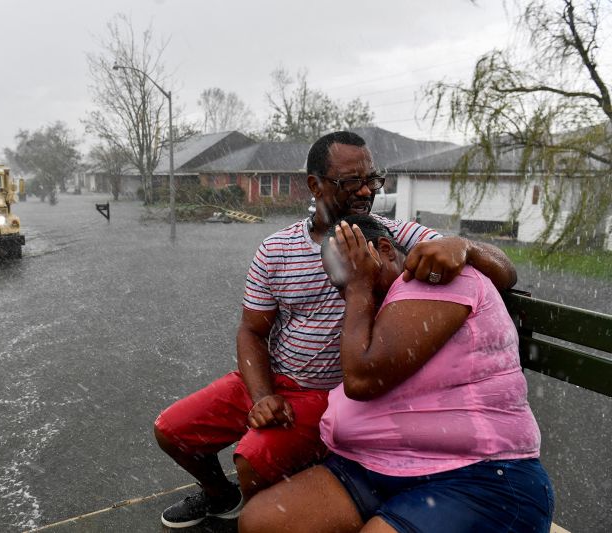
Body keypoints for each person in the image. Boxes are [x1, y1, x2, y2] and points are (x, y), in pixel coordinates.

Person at [153, 131, 518, 529]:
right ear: (315, 185)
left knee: (252, 458)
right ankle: (222, 498)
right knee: (173, 431)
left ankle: (261, 503)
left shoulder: (392, 235)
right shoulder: (276, 249)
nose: (366, 191)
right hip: (270, 378)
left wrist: (464, 246)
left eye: (372, 180)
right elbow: (251, 332)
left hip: (326, 394)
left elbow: (504, 271)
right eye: (351, 182)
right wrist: (261, 395)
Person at [237, 214, 553, 533]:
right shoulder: (382, 299)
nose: (350, 297)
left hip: (476, 474)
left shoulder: (435, 277)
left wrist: (360, 287)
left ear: (386, 250)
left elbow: (363, 379)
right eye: (341, 287)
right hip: (368, 468)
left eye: (356, 274)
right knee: (262, 521)